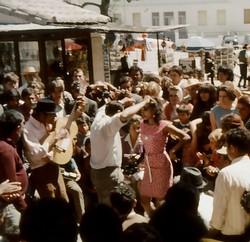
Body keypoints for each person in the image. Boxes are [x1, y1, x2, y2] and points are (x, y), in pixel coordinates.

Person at [90, 95, 152, 206]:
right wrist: (144, 102)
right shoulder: (109, 124)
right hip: (108, 174)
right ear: (117, 112)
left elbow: (104, 107)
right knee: (115, 207)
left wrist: (122, 101)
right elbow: (124, 115)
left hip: (97, 172)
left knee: (104, 206)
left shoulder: (99, 117)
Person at [139, 97, 191, 216]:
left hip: (162, 164)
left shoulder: (164, 125)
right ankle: (155, 220)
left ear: (154, 111)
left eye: (145, 109)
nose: (142, 112)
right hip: (148, 165)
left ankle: (161, 224)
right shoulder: (142, 124)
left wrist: (173, 150)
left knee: (161, 200)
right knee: (144, 199)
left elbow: (185, 137)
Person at [22, 98, 69, 202]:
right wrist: (56, 138)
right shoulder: (27, 130)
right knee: (51, 205)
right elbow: (37, 153)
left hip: (54, 166)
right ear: (43, 115)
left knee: (64, 200)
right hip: (41, 172)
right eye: (53, 114)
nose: (55, 117)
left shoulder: (47, 123)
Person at [209, 127, 250, 241]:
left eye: (227, 146)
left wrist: (213, 230)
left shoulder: (226, 174)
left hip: (230, 234)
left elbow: (220, 207)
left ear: (232, 148)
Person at [0, 110, 28, 242]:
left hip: (12, 203)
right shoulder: (6, 150)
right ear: (17, 128)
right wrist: (25, 209)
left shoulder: (6, 145)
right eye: (23, 125)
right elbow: (12, 186)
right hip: (11, 206)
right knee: (14, 237)